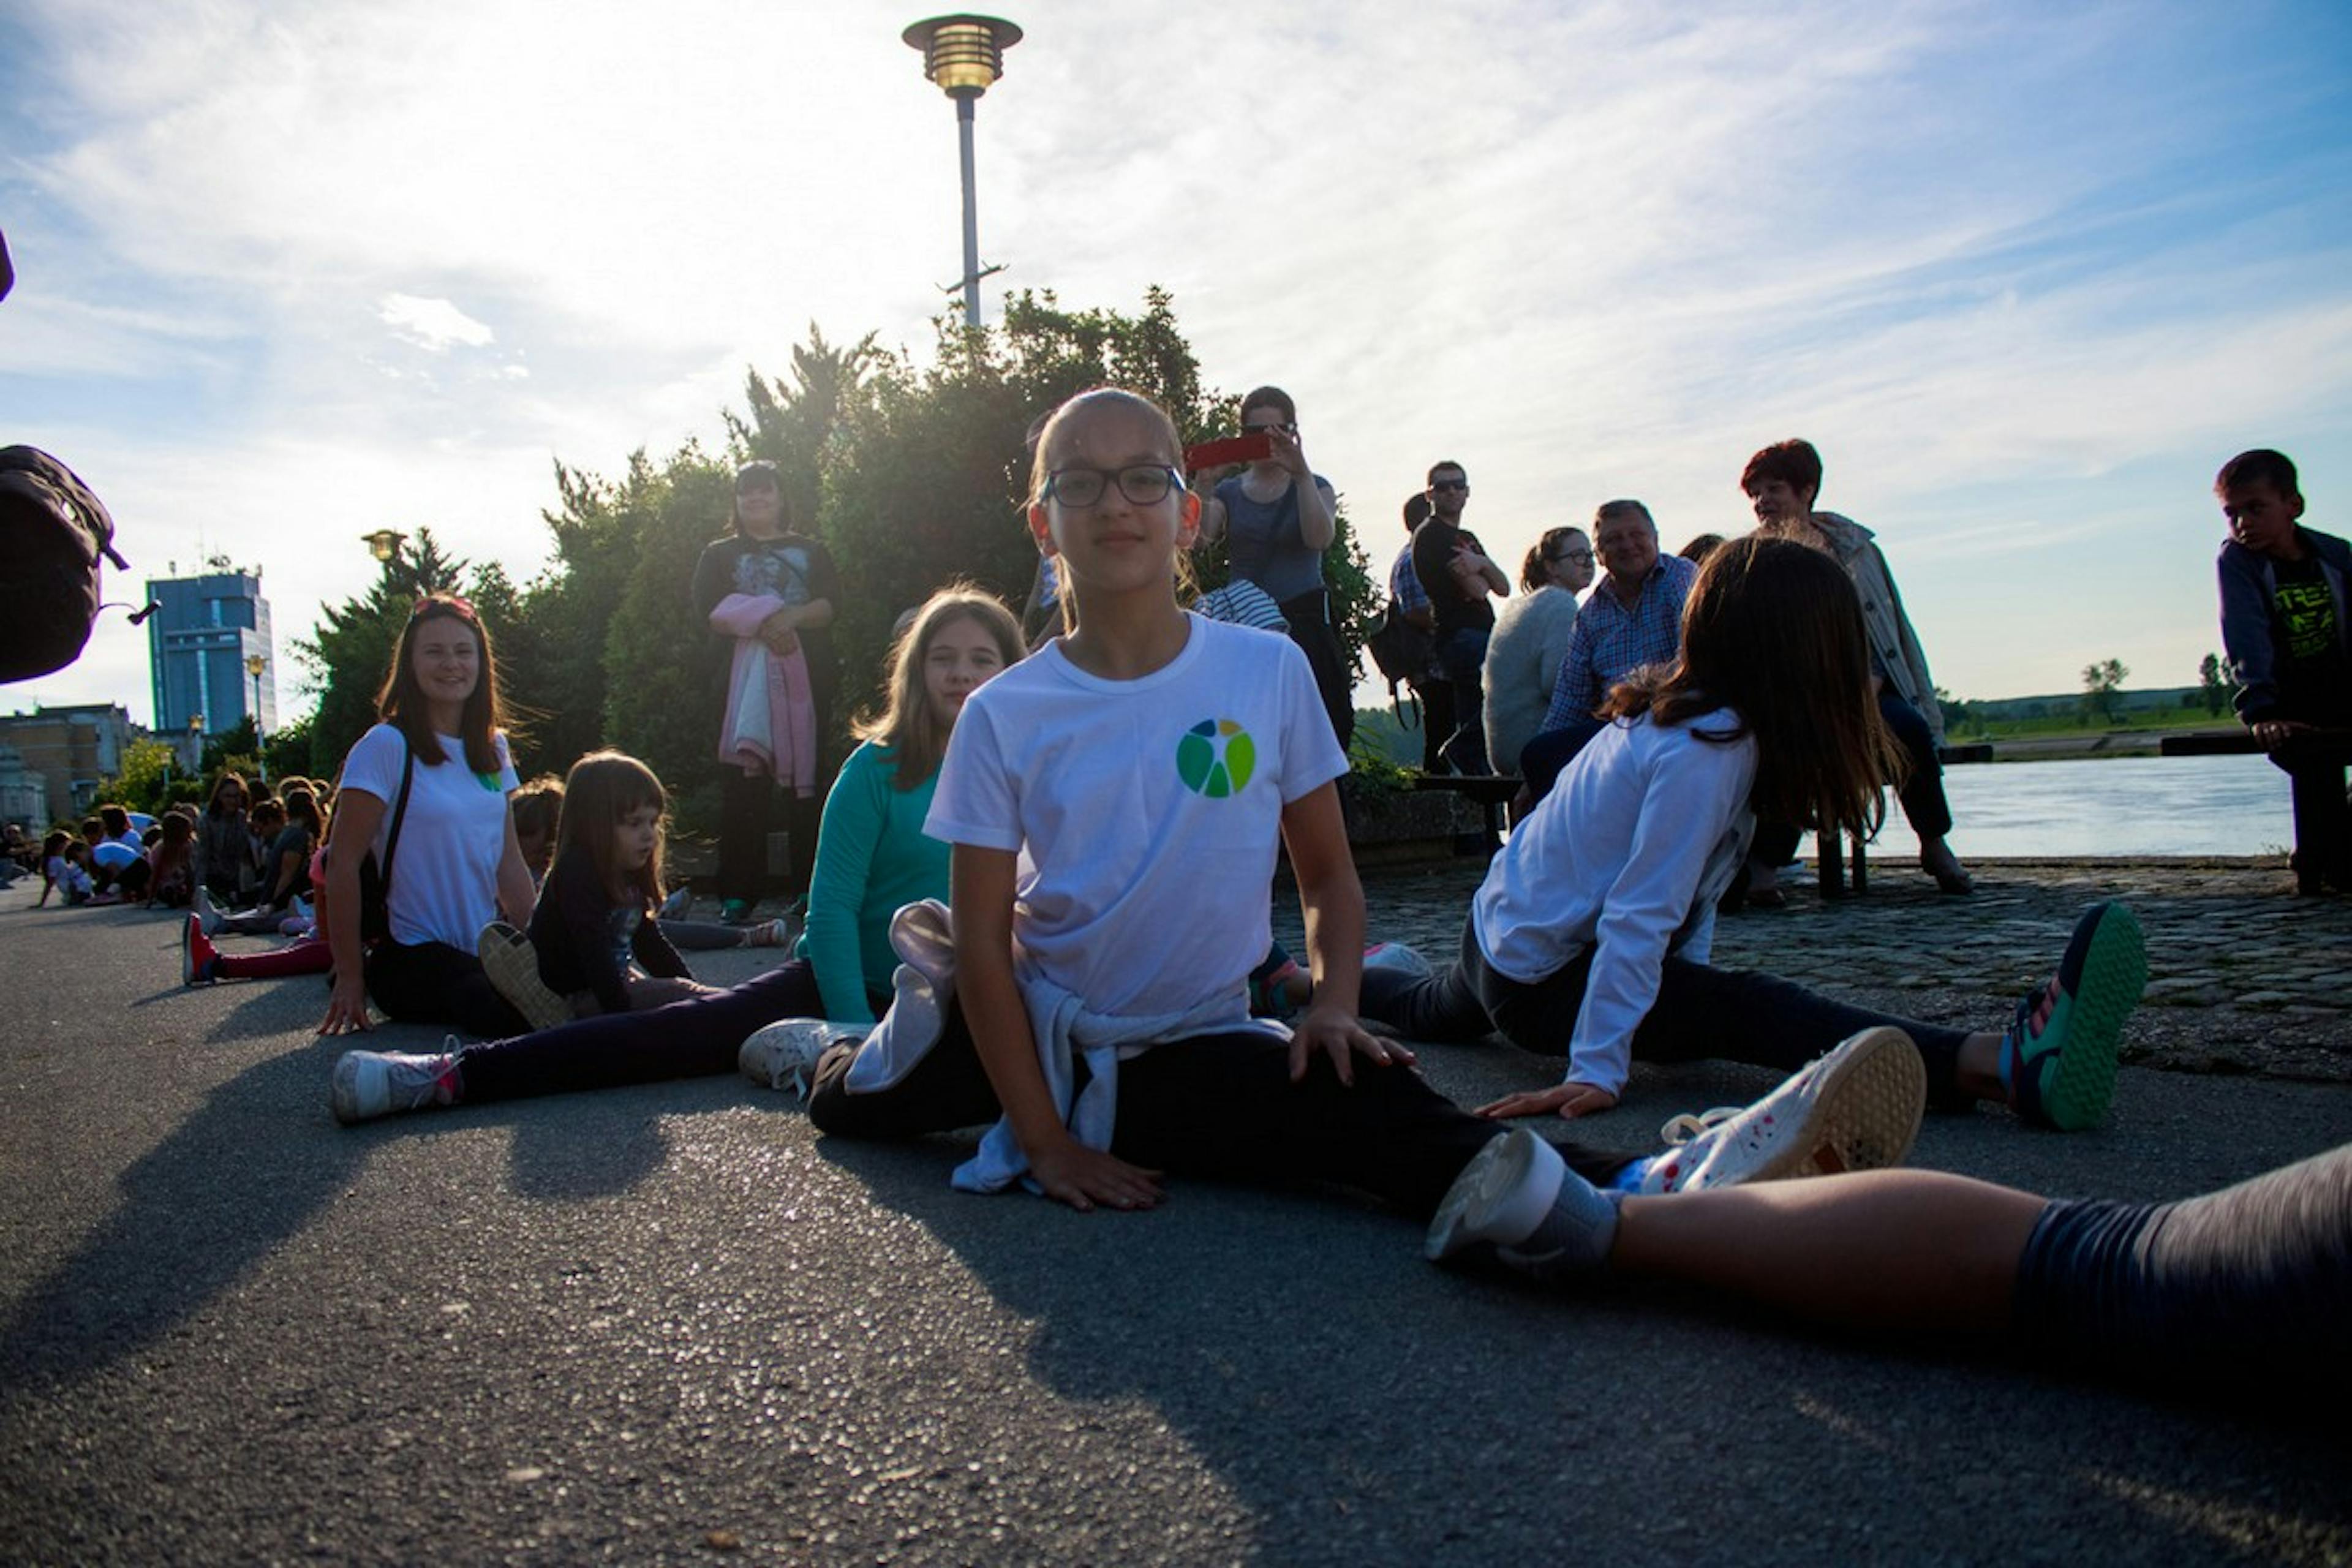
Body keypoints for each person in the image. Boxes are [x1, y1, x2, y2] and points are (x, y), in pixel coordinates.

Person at [787, 389, 1913, 1219]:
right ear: (1044, 523)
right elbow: (983, 946)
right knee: (850, 1103)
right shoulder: (1006, 712)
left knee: (1360, 1096)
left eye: (1146, 478)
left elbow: (1326, 877)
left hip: (1184, 1040)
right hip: (1023, 1035)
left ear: (1190, 514)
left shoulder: (1262, 675)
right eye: (1079, 481)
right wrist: (1039, 1140)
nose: (1114, 502)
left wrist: (1331, 1003)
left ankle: (1655, 1182)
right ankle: (804, 1045)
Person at [1360, 537, 2147, 1132]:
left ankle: (1300, 979)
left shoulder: (1690, 712)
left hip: (1501, 928)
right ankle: (2001, 1068)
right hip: (1538, 973)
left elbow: (1684, 897)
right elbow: (1643, 913)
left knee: (1429, 1005)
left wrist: (1678, 994)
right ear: (1801, 656)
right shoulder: (1708, 747)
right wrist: (1600, 1067)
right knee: (1750, 1008)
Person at [325, 587, 1025, 1123]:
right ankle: (445, 1076)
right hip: (844, 987)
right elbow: (835, 909)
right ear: (916, 670)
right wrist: (855, 1030)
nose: (961, 674)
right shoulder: (875, 770)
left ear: (1010, 673)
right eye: (944, 657)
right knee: (663, 1037)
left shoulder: (1023, 772)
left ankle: (804, 1047)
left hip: (966, 998)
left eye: (981, 659)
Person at [1428, 1125, 2352, 1400]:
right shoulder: (1692, 754)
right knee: (2106, 1266)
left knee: (2101, 1262)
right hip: (1534, 973)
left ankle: (1618, 1207)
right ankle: (1621, 1209)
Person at [1744, 439, 1972, 897]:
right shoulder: (1752, 561)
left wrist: (1883, 687)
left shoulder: (1855, 549)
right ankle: (1764, 867)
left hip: (1867, 687)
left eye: (1774, 489)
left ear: (1806, 490)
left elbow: (1892, 629)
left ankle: (1934, 843)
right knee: (1792, 745)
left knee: (1907, 729)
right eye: (1755, 494)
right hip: (1791, 697)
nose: (1762, 502)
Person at [315, 593, 535, 1038]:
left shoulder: (494, 748)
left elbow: (509, 862)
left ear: (481, 662)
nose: (451, 664)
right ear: (410, 665)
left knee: (551, 988)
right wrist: (350, 977)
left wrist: (540, 947)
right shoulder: (386, 746)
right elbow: (342, 864)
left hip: (484, 950)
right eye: (434, 652)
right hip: (411, 958)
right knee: (503, 1010)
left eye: (462, 651)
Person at [692, 458, 842, 925]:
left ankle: (808, 889)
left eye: (765, 491)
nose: (756, 499)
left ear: (782, 498)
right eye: (746, 492)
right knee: (742, 784)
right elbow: (709, 610)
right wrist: (765, 622)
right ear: (736, 501)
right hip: (741, 686)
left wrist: (789, 620)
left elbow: (831, 603)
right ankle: (738, 894)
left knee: (807, 785)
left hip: (805, 682)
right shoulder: (717, 554)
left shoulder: (811, 550)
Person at [478, 751, 717, 1030]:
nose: (649, 834)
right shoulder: (577, 871)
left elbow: (650, 944)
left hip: (608, 985)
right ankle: (733, 1014)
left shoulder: (626, 873)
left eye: (653, 822)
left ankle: (721, 1011)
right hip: (574, 995)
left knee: (682, 993)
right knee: (679, 994)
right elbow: (592, 949)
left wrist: (695, 990)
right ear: (595, 825)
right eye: (635, 823)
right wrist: (622, 1017)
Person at [2215, 447, 2351, 894]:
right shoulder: (2238, 561)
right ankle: (2322, 861)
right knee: (2314, 758)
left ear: (2293, 506)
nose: (2242, 524)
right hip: (2287, 700)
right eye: (2232, 513)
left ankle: (2335, 851)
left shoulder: (2335, 556)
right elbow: (2245, 631)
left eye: (2256, 509)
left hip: (2341, 690)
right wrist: (2261, 709)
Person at [1193, 387, 1354, 750]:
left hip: (1306, 623)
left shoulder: (1315, 486)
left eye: (1277, 430)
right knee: (1253, 730)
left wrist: (1301, 475)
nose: (1267, 440)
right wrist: (1204, 483)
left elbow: (1319, 538)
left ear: (1293, 432)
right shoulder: (1230, 492)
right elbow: (1201, 539)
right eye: (1255, 433)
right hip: (1248, 628)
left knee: (1322, 732)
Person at [1520, 501, 1696, 800]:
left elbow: (1693, 659)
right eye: (1613, 540)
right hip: (1614, 729)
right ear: (1599, 555)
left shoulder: (1680, 579)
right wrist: (1531, 774)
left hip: (1672, 716)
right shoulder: (1591, 615)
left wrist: (1645, 701)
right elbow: (1569, 700)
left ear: (1655, 537)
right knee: (1540, 755)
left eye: (1636, 534)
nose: (1627, 545)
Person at [1412, 461, 1508, 774]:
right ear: (1430, 494)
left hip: (1481, 631)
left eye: (1457, 484)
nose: (1451, 491)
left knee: (1478, 710)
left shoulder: (1466, 536)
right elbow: (1479, 590)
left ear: (1467, 491)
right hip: (1459, 634)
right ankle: (1461, 756)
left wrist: (1478, 561)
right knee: (1485, 708)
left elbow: (1503, 587)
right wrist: (1482, 571)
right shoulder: (1432, 536)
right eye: (1442, 486)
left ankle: (1473, 772)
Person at [1482, 528, 1594, 777]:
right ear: (1552, 567)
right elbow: (1556, 682)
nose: (1588, 562)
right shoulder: (1560, 604)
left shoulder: (1516, 607)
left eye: (1590, 554)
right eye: (1577, 555)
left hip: (1503, 748)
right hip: (1535, 744)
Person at [1387, 492, 1453, 773]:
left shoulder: (1408, 557)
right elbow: (1416, 612)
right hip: (1434, 662)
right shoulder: (1415, 559)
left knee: (1441, 729)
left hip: (1428, 663)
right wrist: (1455, 621)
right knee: (1443, 731)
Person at [192, 772, 258, 903]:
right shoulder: (207, 820)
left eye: (237, 796)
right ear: (219, 797)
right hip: (214, 877)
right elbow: (203, 857)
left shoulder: (243, 819)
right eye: (228, 796)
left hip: (239, 879)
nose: (233, 801)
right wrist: (199, 890)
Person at [144, 811, 196, 908]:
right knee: (167, 887)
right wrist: (150, 898)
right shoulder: (161, 848)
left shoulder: (188, 845)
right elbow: (156, 873)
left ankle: (184, 896)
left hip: (182, 880)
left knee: (187, 882)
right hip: (166, 881)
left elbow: (190, 870)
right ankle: (171, 895)